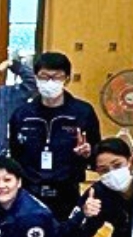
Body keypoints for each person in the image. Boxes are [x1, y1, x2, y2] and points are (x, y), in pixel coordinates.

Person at [9, 51, 103, 219]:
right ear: (36, 78)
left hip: (66, 192)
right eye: (44, 77)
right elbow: (15, 154)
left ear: (67, 79)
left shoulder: (82, 112)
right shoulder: (22, 114)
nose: (50, 82)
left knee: (66, 233)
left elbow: (97, 154)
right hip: (29, 191)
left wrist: (88, 153)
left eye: (56, 77)